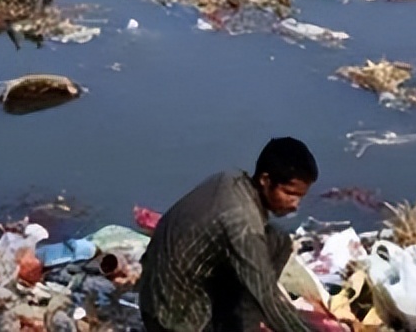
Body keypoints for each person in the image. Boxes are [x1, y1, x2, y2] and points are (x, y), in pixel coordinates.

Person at [138, 137, 329, 332]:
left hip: (163, 285)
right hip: (172, 316)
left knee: (278, 241)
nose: (295, 204)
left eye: (299, 197)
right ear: (265, 180)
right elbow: (267, 297)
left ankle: (245, 323)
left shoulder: (230, 179)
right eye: (289, 193)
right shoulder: (242, 223)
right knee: (262, 290)